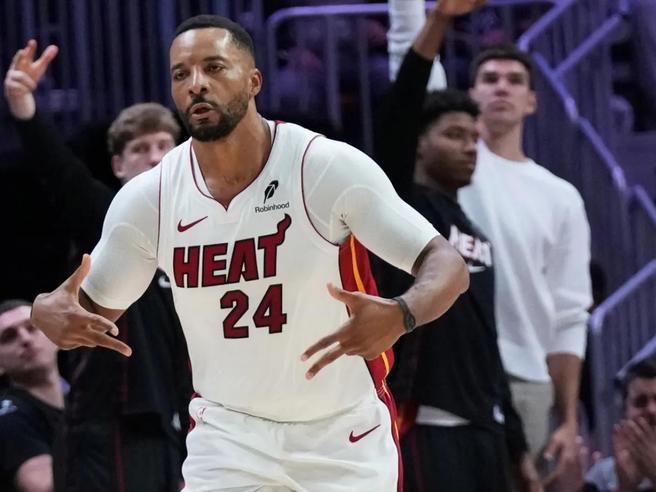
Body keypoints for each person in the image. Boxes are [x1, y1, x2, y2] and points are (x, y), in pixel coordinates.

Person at [30, 14, 469, 491]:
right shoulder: (150, 197)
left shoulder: (322, 166)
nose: (197, 84)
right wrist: (47, 311)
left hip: (340, 435)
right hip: (228, 440)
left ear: (254, 80)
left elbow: (446, 263)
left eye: (214, 67)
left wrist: (402, 313)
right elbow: (91, 310)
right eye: (181, 74)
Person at [4, 41, 193, 491]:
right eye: (140, 148)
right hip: (114, 424)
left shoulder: (198, 235)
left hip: (176, 423)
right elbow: (63, 176)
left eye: (164, 145)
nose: (154, 157)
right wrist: (25, 108)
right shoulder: (111, 220)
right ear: (118, 166)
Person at [374, 1, 540, 490]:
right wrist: (438, 20)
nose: (470, 146)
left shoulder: (474, 230)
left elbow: (488, 341)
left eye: (473, 137)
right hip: (423, 424)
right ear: (419, 145)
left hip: (486, 430)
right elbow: (404, 104)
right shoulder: (400, 203)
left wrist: (517, 447)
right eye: (453, 135)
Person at [458, 43, 593, 485]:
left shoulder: (561, 197)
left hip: (527, 380)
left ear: (532, 101)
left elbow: (570, 314)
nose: (502, 87)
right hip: (452, 374)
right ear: (471, 94)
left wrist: (569, 420)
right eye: (490, 79)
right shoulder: (452, 167)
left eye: (514, 81)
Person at [0, 299, 64, 492]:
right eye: (9, 337)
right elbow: (43, 487)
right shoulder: (8, 419)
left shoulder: (83, 402)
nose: (25, 339)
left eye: (32, 327)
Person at [583, 356, 656, 492]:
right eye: (640, 402)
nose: (652, 410)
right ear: (625, 412)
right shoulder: (602, 475)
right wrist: (625, 486)